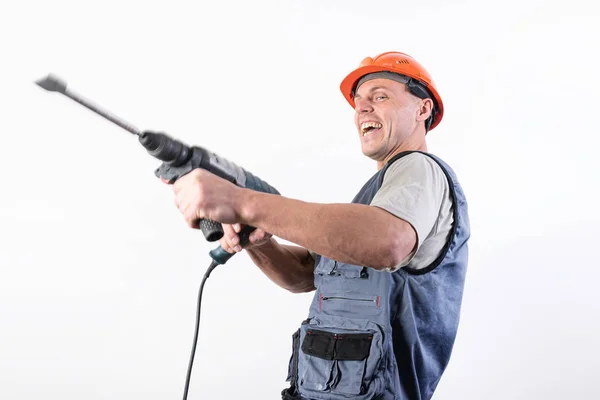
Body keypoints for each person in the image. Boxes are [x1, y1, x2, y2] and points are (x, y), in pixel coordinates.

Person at [168, 51, 470, 400]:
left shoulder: (420, 170)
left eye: (380, 96)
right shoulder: (373, 200)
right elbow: (304, 274)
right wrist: (259, 241)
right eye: (358, 102)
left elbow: (387, 242)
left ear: (423, 109)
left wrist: (244, 202)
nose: (363, 109)